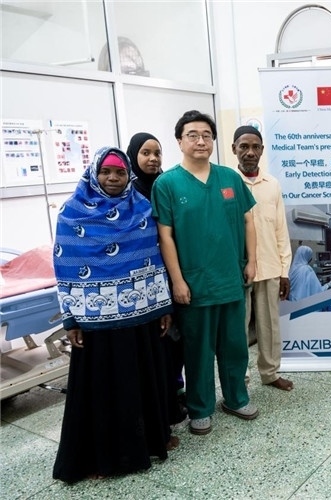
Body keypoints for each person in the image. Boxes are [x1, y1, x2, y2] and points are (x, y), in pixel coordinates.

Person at [52, 147, 176, 482]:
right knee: (101, 390)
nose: (113, 178)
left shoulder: (141, 208)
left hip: (140, 318)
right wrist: (70, 319)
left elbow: (154, 259)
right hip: (95, 324)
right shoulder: (72, 213)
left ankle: (150, 442)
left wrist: (163, 306)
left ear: (128, 175)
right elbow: (64, 266)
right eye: (106, 172)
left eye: (120, 172)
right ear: (94, 174)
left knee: (141, 382)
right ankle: (98, 457)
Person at [151, 110, 258, 436]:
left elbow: (248, 222)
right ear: (179, 141)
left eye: (206, 135)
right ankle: (200, 408)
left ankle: (236, 398)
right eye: (193, 135)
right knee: (198, 351)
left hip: (231, 278)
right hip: (195, 284)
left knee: (235, 345)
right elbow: (165, 235)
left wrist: (252, 261)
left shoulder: (229, 178)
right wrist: (177, 280)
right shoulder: (167, 184)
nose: (200, 141)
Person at [126, 132, 187, 426]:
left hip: (173, 273)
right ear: (133, 156)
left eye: (157, 153)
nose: (152, 159)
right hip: (143, 281)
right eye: (145, 153)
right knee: (155, 345)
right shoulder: (128, 193)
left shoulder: (166, 185)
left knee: (175, 341)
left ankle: (176, 391)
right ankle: (159, 402)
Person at [231, 125, 294, 392]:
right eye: (244, 146)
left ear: (262, 150)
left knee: (270, 325)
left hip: (269, 265)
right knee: (238, 328)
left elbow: (281, 230)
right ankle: (240, 379)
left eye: (255, 147)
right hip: (238, 269)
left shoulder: (272, 185)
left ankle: (270, 373)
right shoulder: (227, 183)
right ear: (234, 149)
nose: (250, 152)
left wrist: (284, 270)